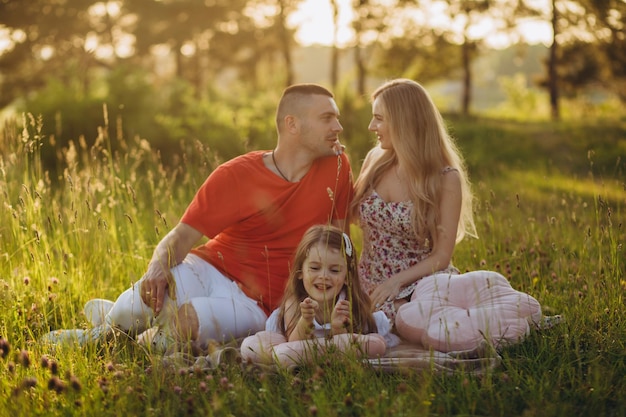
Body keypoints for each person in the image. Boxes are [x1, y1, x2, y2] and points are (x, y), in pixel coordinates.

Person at [43, 83, 354, 353]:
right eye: (328, 118)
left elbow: (339, 245)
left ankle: (145, 334)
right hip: (208, 268)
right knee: (143, 300)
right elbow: (181, 237)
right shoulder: (236, 175)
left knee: (184, 324)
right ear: (292, 124)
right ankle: (103, 332)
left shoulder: (337, 168)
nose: (338, 127)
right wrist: (156, 269)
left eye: (337, 118)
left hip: (256, 304)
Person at [351, 78, 477, 323]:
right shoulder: (374, 160)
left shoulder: (445, 178)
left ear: (403, 121)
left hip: (418, 283)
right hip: (367, 279)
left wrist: (396, 283)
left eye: (379, 118)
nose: (370, 126)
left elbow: (442, 255)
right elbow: (349, 214)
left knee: (408, 319)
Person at [240, 225, 393, 367]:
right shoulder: (294, 303)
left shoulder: (349, 303)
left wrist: (338, 328)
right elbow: (294, 341)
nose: (324, 276)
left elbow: (346, 341)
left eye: (334, 270)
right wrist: (305, 321)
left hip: (325, 347)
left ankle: (295, 357)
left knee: (376, 344)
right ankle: (297, 356)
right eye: (314, 268)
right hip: (297, 344)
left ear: (347, 277)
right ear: (300, 272)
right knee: (250, 345)